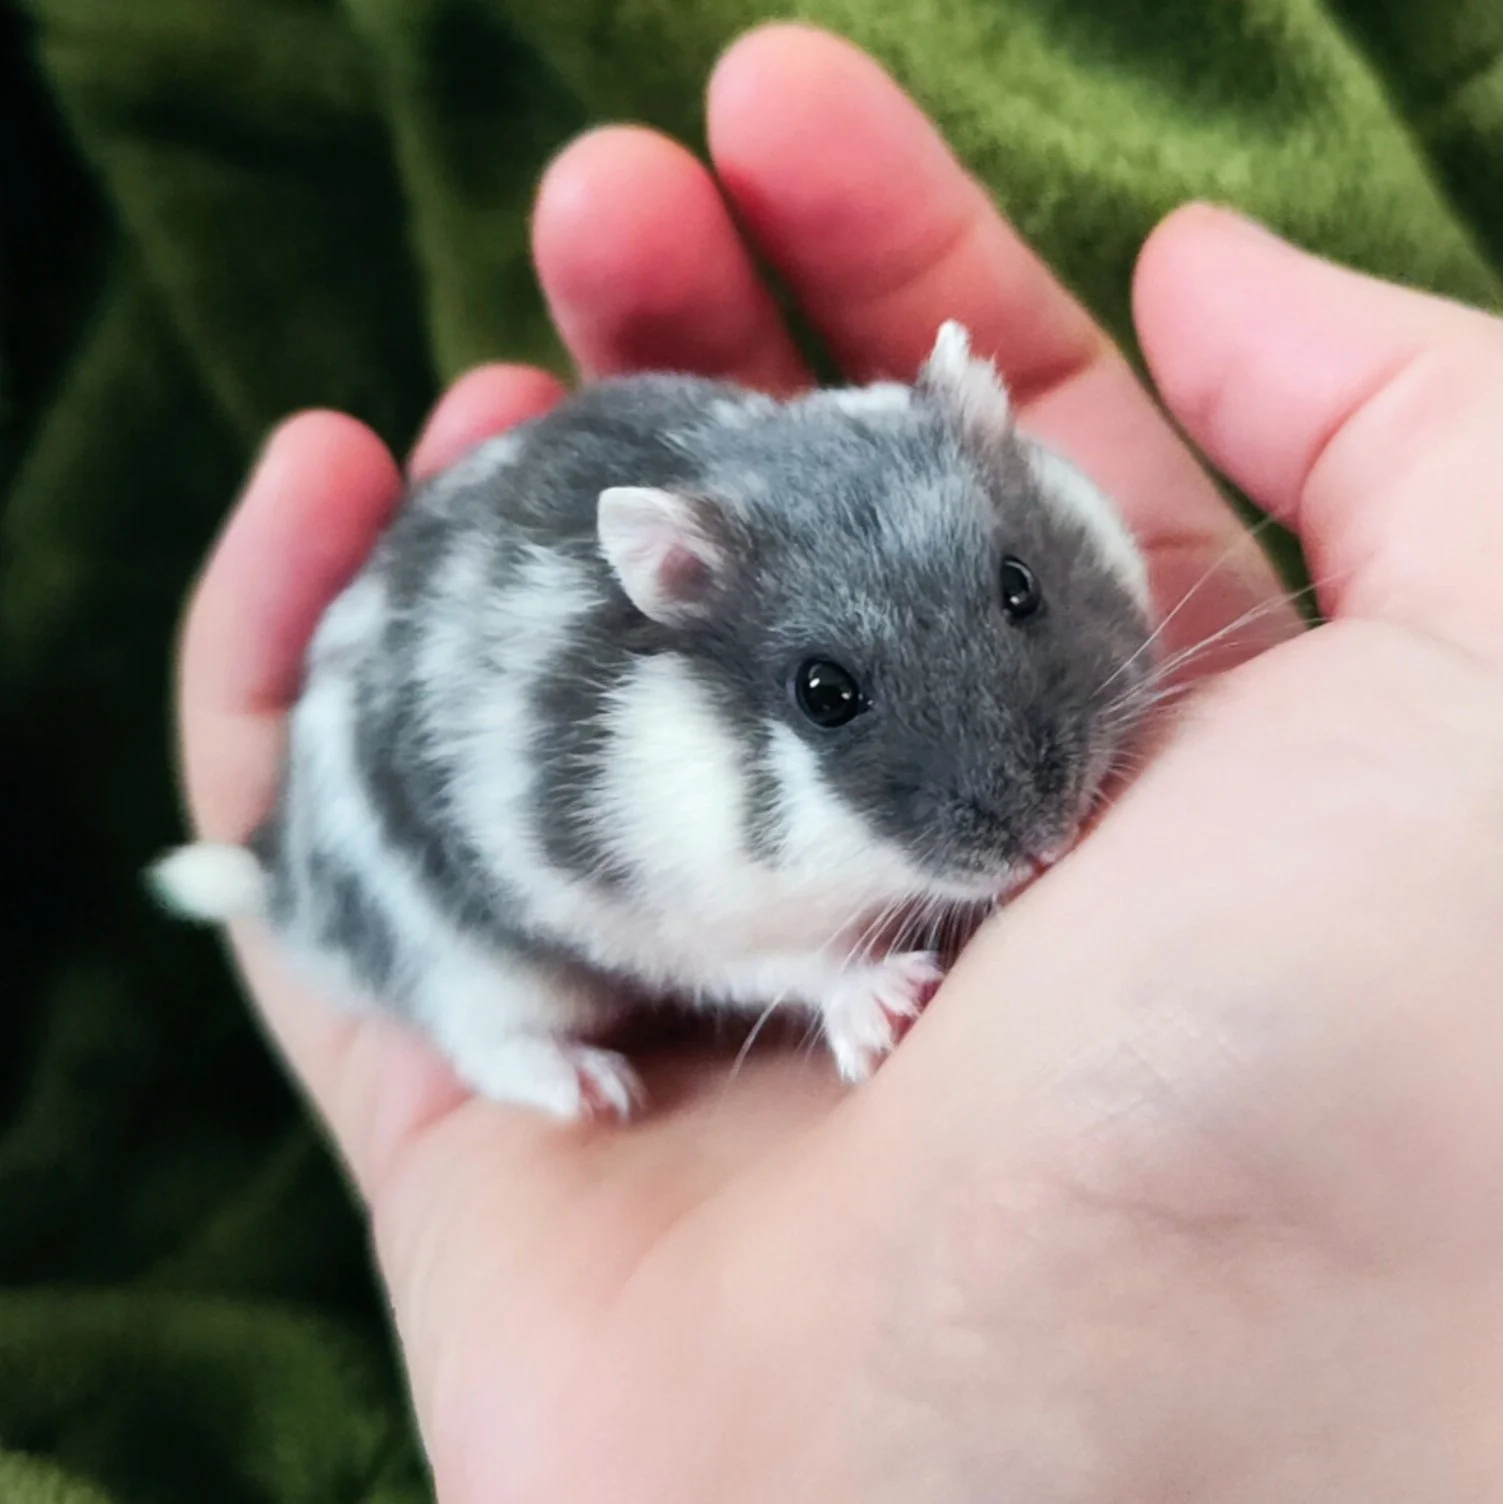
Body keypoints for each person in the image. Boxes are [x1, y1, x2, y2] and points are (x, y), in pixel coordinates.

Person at [171, 23, 1503, 1503]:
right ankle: (470, 1020)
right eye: (829, 694)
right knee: (503, 961)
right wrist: (821, 976)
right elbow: (640, 904)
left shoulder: (981, 471)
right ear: (689, 620)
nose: (1025, 801)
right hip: (442, 880)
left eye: (1014, 599)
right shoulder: (631, 770)